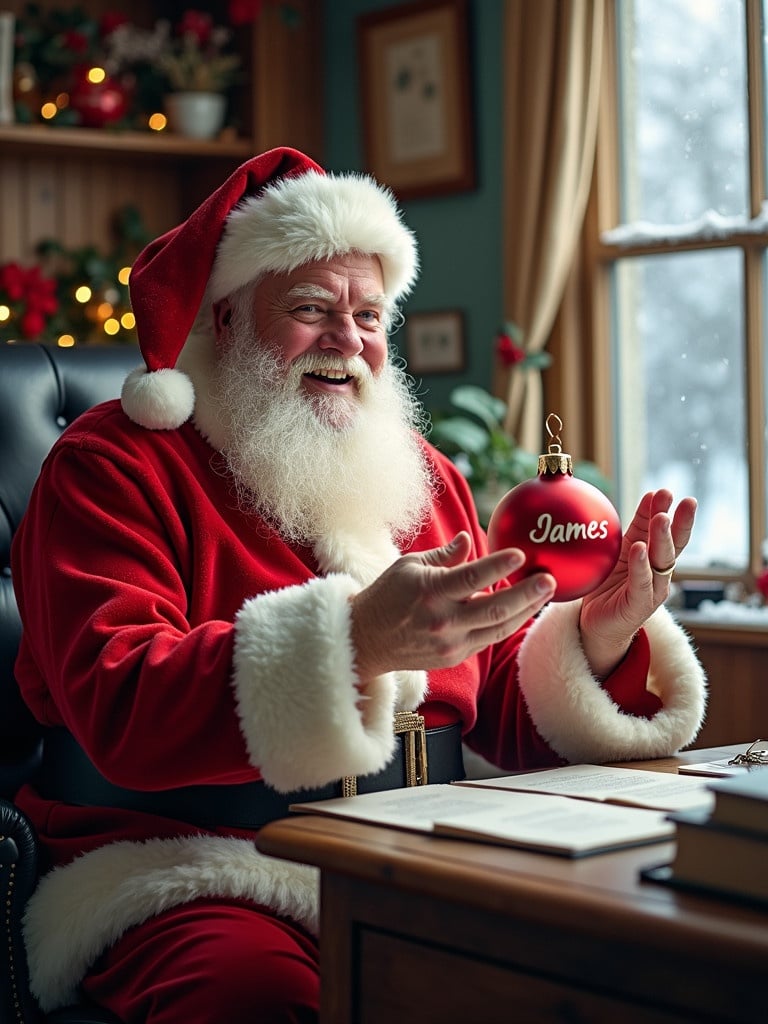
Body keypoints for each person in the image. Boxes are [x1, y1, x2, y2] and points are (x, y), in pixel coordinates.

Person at [11, 147, 705, 1023]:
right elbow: (120, 700)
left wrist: (597, 633)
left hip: (422, 853)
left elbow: (488, 703)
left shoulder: (419, 474)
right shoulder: (113, 467)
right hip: (196, 867)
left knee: (608, 969)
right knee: (262, 1000)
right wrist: (354, 643)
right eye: (310, 310)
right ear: (223, 319)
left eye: (370, 315)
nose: (348, 341)